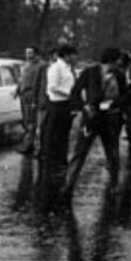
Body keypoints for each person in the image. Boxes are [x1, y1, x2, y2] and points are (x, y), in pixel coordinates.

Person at [64, 47, 127, 194]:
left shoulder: (119, 75)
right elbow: (75, 91)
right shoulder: (90, 72)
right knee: (80, 151)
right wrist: (84, 107)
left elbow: (125, 95)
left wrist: (114, 104)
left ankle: (114, 184)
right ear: (113, 60)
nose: (119, 63)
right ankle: (69, 184)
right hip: (91, 117)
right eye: (118, 60)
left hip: (111, 117)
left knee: (112, 152)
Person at [43, 44, 79, 173]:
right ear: (67, 55)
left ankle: (61, 161)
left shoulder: (68, 68)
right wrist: (69, 94)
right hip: (57, 105)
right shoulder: (56, 68)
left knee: (64, 135)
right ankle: (52, 163)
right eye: (74, 55)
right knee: (55, 135)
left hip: (66, 105)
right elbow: (52, 87)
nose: (76, 58)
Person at [15, 46, 44, 156]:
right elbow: (21, 79)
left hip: (32, 94)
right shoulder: (26, 64)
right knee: (26, 120)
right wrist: (17, 89)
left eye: (30, 53)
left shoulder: (41, 65)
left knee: (32, 121)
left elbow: (40, 83)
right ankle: (29, 144)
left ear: (36, 54)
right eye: (26, 53)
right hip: (24, 94)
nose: (27, 55)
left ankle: (28, 145)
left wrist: (36, 99)